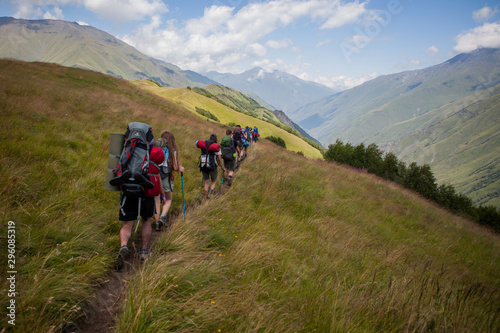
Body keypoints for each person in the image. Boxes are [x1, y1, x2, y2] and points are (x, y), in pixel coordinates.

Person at [115, 144, 165, 270]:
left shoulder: (131, 151)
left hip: (130, 192)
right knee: (146, 222)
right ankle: (144, 251)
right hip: (147, 196)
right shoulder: (154, 154)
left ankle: (123, 246)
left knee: (127, 225)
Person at [155, 131, 184, 231]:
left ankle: (156, 222)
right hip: (166, 177)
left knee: (157, 200)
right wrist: (180, 168)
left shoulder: (156, 148)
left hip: (155, 176)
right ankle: (163, 217)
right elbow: (175, 167)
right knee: (168, 199)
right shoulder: (173, 150)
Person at [199, 133, 224, 198]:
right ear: (216, 139)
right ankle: (210, 192)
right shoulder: (216, 146)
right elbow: (219, 159)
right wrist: (222, 167)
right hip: (212, 166)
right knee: (214, 181)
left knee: (206, 182)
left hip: (203, 165)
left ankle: (205, 196)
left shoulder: (204, 144)